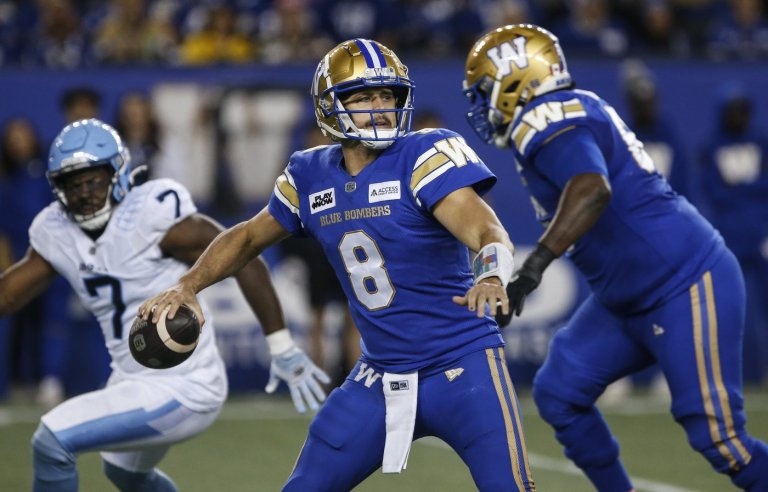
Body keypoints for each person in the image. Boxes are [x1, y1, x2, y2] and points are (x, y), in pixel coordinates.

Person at [139, 38, 535, 491]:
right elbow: (247, 236)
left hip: (462, 364)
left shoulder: (423, 155)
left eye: (387, 95)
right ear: (331, 107)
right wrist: (188, 285)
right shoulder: (309, 174)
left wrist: (490, 274)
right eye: (364, 97)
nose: (381, 108)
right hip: (378, 374)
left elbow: (487, 231)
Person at [462, 24, 768, 491]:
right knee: (559, 393)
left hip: (683, 282)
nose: (483, 105)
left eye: (486, 91)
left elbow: (591, 189)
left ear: (516, 80)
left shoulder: (543, 116)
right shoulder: (565, 108)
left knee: (721, 439)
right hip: (626, 297)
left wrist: (531, 269)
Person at [0, 118, 328, 491]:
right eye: (73, 185)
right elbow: (9, 294)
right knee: (125, 473)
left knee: (52, 441)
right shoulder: (56, 230)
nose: (85, 193)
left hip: (184, 382)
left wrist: (281, 345)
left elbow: (244, 257)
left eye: (93, 181)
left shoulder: (150, 214)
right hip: (130, 377)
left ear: (118, 174)